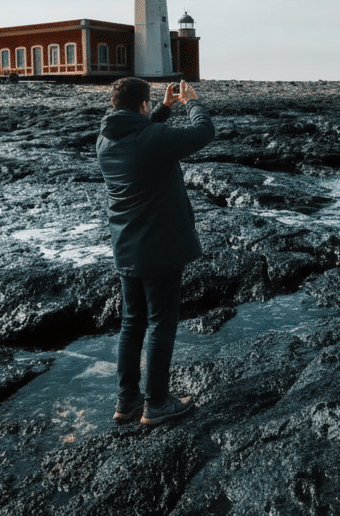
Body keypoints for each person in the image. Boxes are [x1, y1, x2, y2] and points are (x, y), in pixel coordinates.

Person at [97, 78, 214, 426]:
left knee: (132, 325)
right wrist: (191, 102)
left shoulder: (105, 139)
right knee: (162, 323)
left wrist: (163, 109)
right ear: (142, 105)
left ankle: (127, 402)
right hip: (160, 246)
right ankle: (158, 402)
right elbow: (203, 133)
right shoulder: (152, 138)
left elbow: (142, 137)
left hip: (126, 245)